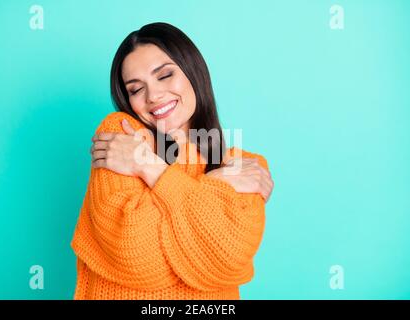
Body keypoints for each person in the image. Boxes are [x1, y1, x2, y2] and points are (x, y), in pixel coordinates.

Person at [71, 22, 274, 300]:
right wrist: (214, 186)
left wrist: (147, 166)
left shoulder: (245, 166)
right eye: (135, 89)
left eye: (164, 75)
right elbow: (135, 254)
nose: (153, 96)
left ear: (193, 73)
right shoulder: (122, 136)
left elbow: (226, 259)